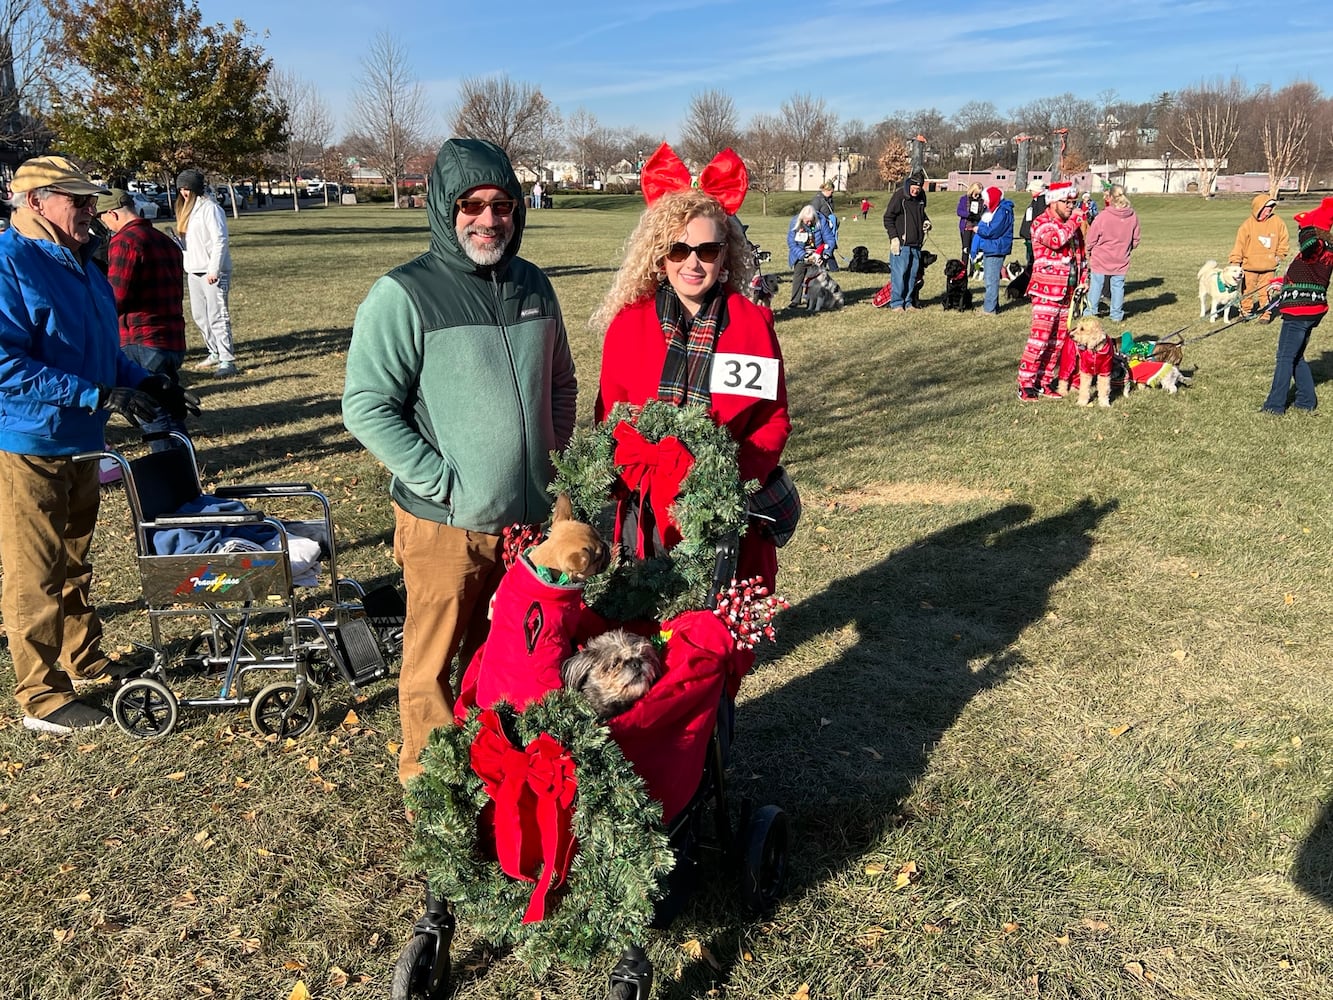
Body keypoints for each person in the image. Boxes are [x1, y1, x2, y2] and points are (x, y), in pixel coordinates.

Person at [343, 138, 578, 787]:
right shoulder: (403, 294)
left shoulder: (534, 286)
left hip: (525, 525)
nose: (488, 218)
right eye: (471, 205)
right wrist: (441, 483)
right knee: (433, 662)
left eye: (501, 205)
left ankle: (495, 771)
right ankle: (430, 785)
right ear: (444, 209)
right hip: (443, 523)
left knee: (504, 655)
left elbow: (560, 383)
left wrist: (550, 469)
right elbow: (366, 405)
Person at [0, 155, 195, 733]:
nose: (93, 211)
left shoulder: (83, 263)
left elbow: (103, 351)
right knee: (34, 570)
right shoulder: (10, 263)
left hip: (83, 444)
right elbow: (6, 365)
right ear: (36, 203)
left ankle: (82, 657)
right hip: (30, 442)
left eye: (93, 201)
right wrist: (96, 396)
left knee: (75, 563)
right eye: (79, 201)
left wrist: (144, 383)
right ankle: (41, 694)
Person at [592, 144, 790, 590]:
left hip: (726, 510)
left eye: (707, 249)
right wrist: (649, 466)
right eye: (679, 250)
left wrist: (730, 478)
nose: (693, 263)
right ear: (660, 256)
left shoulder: (753, 325)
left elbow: (772, 419)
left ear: (726, 255)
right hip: (648, 513)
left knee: (717, 643)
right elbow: (610, 415)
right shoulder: (628, 325)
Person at [1261, 198, 1333, 415]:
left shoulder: (1317, 247)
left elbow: (1309, 242)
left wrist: (1308, 225)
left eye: (1302, 228)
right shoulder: (1324, 251)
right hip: (1309, 309)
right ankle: (1306, 401)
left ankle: (1274, 406)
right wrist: (1280, 283)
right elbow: (1306, 274)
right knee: (1296, 356)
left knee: (1284, 357)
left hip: (1300, 311)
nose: (1299, 230)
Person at [1017, 180, 1087, 401]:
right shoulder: (1041, 223)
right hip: (1046, 290)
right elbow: (1056, 240)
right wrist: (1076, 218)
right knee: (1040, 340)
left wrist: (1084, 278)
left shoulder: (1072, 227)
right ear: (1053, 201)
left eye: (1073, 202)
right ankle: (1025, 383)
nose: (1070, 206)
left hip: (1068, 292)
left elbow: (1080, 255)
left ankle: (1044, 381)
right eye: (1066, 202)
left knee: (1058, 342)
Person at [175, 168, 236, 377]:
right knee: (200, 315)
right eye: (181, 188)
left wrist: (214, 269)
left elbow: (220, 240)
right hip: (194, 271)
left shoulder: (210, 209)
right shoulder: (188, 211)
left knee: (217, 315)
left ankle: (227, 359)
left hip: (213, 272)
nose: (184, 193)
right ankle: (214, 351)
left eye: (187, 188)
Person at [1083, 184, 1140, 323]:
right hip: (1121, 257)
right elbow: (1136, 239)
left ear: (1110, 197)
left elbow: (1091, 237)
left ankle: (1091, 311)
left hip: (1101, 256)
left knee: (1097, 284)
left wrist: (1088, 249)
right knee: (1118, 285)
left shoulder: (1103, 216)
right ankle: (1116, 314)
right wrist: (1127, 248)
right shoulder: (1132, 216)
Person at [1229, 194, 1289, 317]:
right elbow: (1239, 245)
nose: (1268, 211)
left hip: (1268, 266)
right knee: (1247, 291)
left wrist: (1279, 255)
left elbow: (1284, 240)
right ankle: (1245, 312)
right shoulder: (1247, 225)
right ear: (1259, 208)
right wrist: (1235, 262)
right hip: (1249, 266)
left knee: (1265, 292)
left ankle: (1265, 313)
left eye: (1271, 208)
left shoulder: (1278, 222)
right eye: (1266, 208)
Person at [883, 169, 931, 311]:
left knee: (912, 274)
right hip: (901, 244)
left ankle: (908, 302)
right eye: (914, 188)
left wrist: (926, 221)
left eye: (918, 188)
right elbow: (888, 218)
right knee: (899, 274)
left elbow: (921, 214)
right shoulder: (899, 196)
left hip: (916, 243)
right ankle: (897, 303)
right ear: (909, 184)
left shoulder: (922, 197)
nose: (915, 191)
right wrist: (894, 238)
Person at [968, 186, 1014, 316]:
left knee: (991, 280)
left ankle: (989, 309)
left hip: (996, 248)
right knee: (990, 278)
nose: (985, 203)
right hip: (991, 247)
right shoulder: (995, 210)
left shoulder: (1003, 211)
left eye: (986, 200)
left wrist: (978, 230)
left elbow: (993, 231)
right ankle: (993, 305)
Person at [785, 204, 834, 309]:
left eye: (811, 220)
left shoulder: (822, 221)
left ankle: (816, 299)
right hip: (802, 253)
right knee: (798, 275)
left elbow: (829, 239)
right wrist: (803, 255)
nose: (808, 223)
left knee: (819, 279)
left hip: (817, 254)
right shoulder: (795, 222)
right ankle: (795, 300)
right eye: (806, 221)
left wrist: (825, 254)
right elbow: (791, 243)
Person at [811, 181, 839, 269]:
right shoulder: (817, 200)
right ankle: (832, 267)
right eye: (831, 191)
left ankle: (829, 266)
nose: (832, 193)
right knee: (825, 245)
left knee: (828, 245)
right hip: (821, 225)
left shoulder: (829, 199)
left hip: (829, 225)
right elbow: (813, 213)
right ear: (827, 190)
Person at [1019, 179, 1046, 268]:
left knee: (1032, 258)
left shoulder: (1042, 202)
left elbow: (1038, 219)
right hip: (1029, 235)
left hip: (1034, 235)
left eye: (1032, 190)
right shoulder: (1035, 200)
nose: (1031, 192)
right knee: (1029, 257)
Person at [957, 182, 984, 261]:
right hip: (966, 227)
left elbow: (984, 212)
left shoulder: (982, 201)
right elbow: (959, 211)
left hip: (976, 227)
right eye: (976, 193)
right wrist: (968, 215)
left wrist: (979, 216)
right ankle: (964, 271)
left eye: (979, 194)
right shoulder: (964, 199)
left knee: (974, 249)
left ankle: (973, 270)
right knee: (965, 249)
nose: (978, 196)